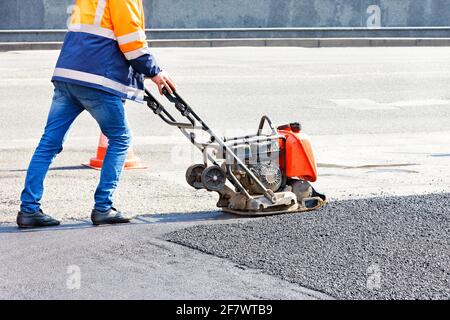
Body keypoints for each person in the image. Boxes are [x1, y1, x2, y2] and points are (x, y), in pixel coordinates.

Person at [17, 0, 176, 228]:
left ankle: (28, 209)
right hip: (97, 79)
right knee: (121, 139)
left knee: (49, 143)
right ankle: (103, 207)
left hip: (68, 74)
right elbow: (131, 41)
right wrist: (155, 72)